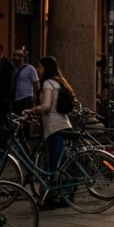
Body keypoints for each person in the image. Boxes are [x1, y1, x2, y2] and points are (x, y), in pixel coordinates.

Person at [25, 56, 75, 210]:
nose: (38, 70)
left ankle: (61, 196)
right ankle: (61, 194)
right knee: (59, 163)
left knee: (55, 165)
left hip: (54, 127)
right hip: (62, 124)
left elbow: (46, 106)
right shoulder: (58, 81)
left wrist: (32, 109)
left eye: (40, 67)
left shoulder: (48, 83)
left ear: (46, 68)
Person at [10, 49, 40, 116]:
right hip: (15, 99)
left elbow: (37, 85)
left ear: (23, 57)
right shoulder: (13, 69)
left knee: (26, 120)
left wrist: (34, 96)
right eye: (14, 55)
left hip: (26, 98)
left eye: (19, 55)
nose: (16, 57)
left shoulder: (30, 68)